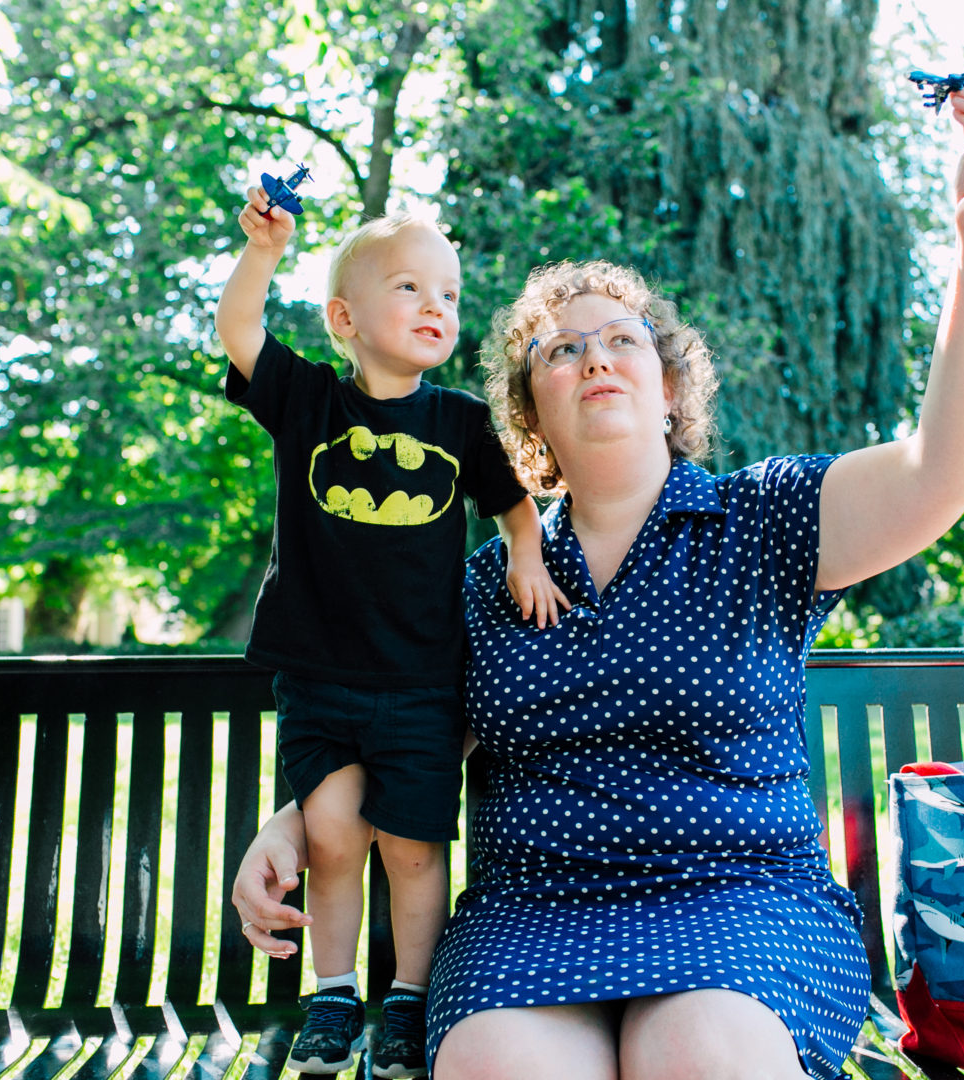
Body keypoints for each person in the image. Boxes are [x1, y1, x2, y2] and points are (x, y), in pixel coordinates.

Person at [232, 78, 964, 1079]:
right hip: (533, 913)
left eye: (622, 340)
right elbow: (402, 727)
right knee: (497, 1066)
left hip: (744, 903)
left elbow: (947, 468)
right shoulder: (485, 586)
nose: (594, 357)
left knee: (701, 1054)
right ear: (526, 416)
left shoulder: (767, 520)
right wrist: (292, 819)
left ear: (669, 388)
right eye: (561, 349)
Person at [214, 197, 570, 1078]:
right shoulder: (308, 406)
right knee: (333, 836)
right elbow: (238, 330)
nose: (435, 306)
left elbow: (513, 503)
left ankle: (409, 999)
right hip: (319, 675)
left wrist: (525, 554)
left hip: (422, 682)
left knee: (415, 850)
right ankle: (333, 993)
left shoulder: (455, 423)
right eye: (409, 287)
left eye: (447, 292)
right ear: (345, 319)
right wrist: (263, 252)